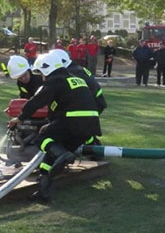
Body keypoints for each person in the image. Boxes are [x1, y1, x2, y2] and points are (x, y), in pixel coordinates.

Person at [7, 51, 100, 202]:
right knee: (49, 158)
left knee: (41, 139)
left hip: (72, 121)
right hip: (90, 125)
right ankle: (44, 191)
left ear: (47, 69)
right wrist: (52, 124)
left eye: (42, 73)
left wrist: (20, 118)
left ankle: (62, 155)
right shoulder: (74, 79)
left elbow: (37, 101)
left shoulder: (56, 81)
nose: (42, 77)